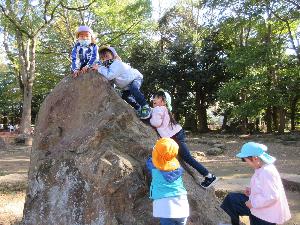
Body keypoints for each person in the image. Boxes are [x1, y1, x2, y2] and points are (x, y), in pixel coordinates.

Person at [150, 90, 217, 189]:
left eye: (157, 97)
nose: (154, 99)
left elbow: (155, 123)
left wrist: (149, 118)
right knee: (186, 157)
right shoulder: (164, 109)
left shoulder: (159, 109)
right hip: (177, 134)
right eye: (154, 97)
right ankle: (208, 176)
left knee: (187, 158)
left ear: (163, 101)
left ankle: (209, 176)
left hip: (174, 136)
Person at [221, 142, 291, 225]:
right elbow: (264, 188)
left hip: (267, 215)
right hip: (260, 206)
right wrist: (252, 190)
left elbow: (272, 196)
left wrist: (253, 203)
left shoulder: (267, 172)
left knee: (234, 201)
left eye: (245, 160)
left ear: (255, 158)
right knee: (231, 199)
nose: (246, 163)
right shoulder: (262, 168)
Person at [93, 46, 151, 119]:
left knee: (134, 88)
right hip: (127, 86)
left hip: (135, 78)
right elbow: (111, 80)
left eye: (107, 56)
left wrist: (99, 68)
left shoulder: (116, 63)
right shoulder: (107, 67)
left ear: (113, 56)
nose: (105, 59)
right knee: (125, 96)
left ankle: (145, 106)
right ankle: (138, 108)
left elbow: (110, 76)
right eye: (102, 58)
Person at [146, 137, 189, 225]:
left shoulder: (154, 169)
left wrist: (154, 155)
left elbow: (149, 163)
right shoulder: (177, 167)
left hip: (166, 208)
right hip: (182, 204)